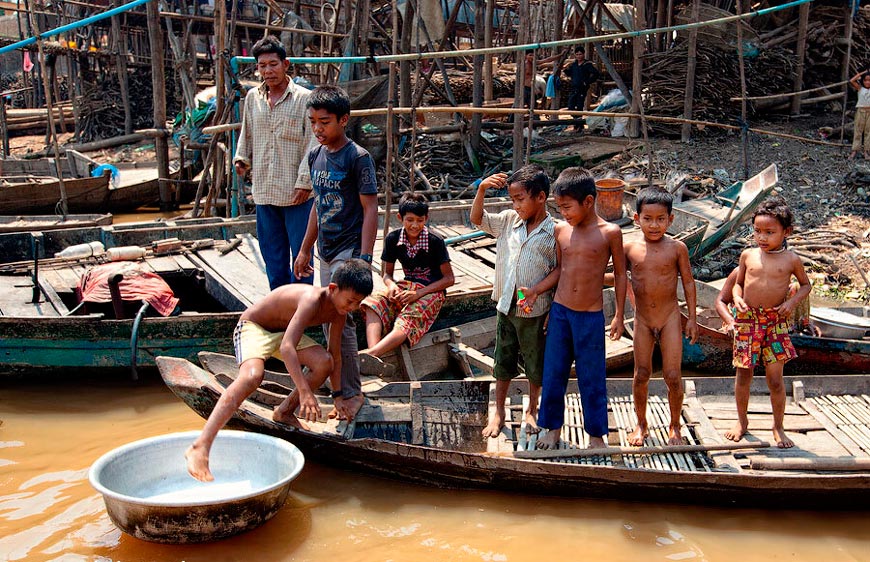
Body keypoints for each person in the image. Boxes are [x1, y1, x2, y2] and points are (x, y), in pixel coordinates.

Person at [185, 259, 373, 482]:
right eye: (350, 301)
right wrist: (305, 392)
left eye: (356, 304)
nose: (351, 307)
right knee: (252, 376)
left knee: (325, 362)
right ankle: (201, 446)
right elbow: (287, 348)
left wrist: (338, 397)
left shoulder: (339, 312)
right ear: (333, 289)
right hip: (255, 328)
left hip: (283, 333)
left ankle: (284, 412)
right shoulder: (312, 299)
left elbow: (336, 355)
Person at [293, 84, 379, 420]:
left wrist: (365, 259)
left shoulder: (357, 158)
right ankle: (338, 388)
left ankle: (351, 394)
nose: (318, 128)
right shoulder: (315, 155)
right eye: (313, 121)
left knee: (341, 324)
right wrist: (304, 249)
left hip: (349, 250)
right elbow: (318, 205)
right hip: (325, 250)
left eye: (325, 122)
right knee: (329, 323)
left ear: (343, 120)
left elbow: (370, 209)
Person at [537, 167, 627, 450]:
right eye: (559, 207)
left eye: (567, 207)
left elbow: (622, 276)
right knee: (553, 372)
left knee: (592, 377)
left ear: (588, 201)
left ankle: (596, 436)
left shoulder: (609, 232)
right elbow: (561, 269)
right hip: (561, 312)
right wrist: (551, 308)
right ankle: (551, 428)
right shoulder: (560, 230)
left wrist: (619, 316)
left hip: (590, 316)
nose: (563, 213)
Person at [471, 166, 559, 438]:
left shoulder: (555, 231)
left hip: (535, 309)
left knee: (535, 364)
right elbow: (477, 219)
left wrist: (549, 306)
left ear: (541, 197)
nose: (516, 205)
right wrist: (482, 189)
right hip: (507, 303)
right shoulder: (509, 220)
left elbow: (560, 270)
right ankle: (498, 411)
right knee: (503, 360)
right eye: (513, 200)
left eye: (521, 199)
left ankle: (532, 409)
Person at [724, 195, 811, 449]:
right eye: (757, 231)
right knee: (743, 374)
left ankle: (778, 426)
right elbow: (738, 284)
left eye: (769, 232)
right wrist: (737, 299)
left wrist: (790, 304)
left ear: (786, 232)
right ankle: (741, 422)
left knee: (775, 379)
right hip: (748, 320)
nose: (762, 238)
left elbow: (805, 285)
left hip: (775, 321)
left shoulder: (791, 260)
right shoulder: (748, 255)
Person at [234, 35, 318, 289]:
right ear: (257, 68)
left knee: (302, 257)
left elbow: (313, 144)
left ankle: (302, 308)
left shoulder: (305, 99)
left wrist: (304, 182)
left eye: (273, 64)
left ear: (286, 64)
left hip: (297, 194)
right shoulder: (253, 98)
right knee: (272, 256)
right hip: (264, 191)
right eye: (262, 66)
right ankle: (279, 305)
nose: (268, 70)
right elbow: (246, 132)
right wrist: (242, 159)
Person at [621, 188, 699, 446]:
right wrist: (618, 316)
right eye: (648, 218)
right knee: (641, 373)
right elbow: (621, 280)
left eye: (660, 219)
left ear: (671, 219)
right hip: (642, 320)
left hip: (669, 319)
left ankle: (675, 425)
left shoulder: (677, 248)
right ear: (636, 218)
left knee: (673, 376)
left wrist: (692, 319)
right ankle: (641, 424)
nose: (654, 225)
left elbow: (688, 282)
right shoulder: (629, 247)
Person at [358, 193, 455, 371]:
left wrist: (418, 294)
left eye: (420, 220)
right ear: (400, 218)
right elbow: (386, 274)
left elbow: (449, 279)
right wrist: (391, 286)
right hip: (406, 286)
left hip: (431, 291)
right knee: (372, 302)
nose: (415, 225)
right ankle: (374, 353)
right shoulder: (393, 238)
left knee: (408, 318)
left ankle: (371, 355)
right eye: (410, 220)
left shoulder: (435, 241)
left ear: (426, 218)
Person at [564, 48, 600, 128]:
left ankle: (579, 126)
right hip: (574, 87)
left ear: (583, 54)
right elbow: (569, 73)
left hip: (582, 88)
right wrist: (565, 69)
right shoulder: (574, 65)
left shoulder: (587, 64)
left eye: (580, 54)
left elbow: (596, 74)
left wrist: (586, 82)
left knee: (579, 105)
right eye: (577, 54)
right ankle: (577, 121)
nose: (579, 56)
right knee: (571, 106)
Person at [849, 71, 870, 160]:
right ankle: (854, 151)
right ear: (863, 81)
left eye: (869, 80)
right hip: (861, 111)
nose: (868, 82)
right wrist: (862, 73)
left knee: (868, 132)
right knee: (858, 131)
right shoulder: (860, 88)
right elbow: (852, 81)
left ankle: (866, 151)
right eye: (866, 80)